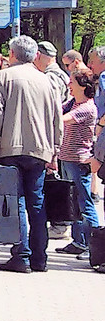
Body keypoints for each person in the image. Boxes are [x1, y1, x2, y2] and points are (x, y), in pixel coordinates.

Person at [0, 35, 62, 273]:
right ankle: (40, 258)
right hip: (40, 150)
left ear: (12, 54)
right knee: (36, 203)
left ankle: (21, 255)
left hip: (10, 148)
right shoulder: (48, 81)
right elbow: (57, 119)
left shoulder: (1, 78)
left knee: (15, 200)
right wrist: (54, 150)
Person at [55, 70, 101, 258]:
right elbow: (57, 109)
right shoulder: (74, 103)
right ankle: (78, 241)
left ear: (83, 86)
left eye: (72, 82)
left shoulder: (87, 108)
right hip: (67, 158)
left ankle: (94, 244)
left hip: (79, 161)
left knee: (84, 203)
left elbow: (61, 118)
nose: (68, 85)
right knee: (72, 202)